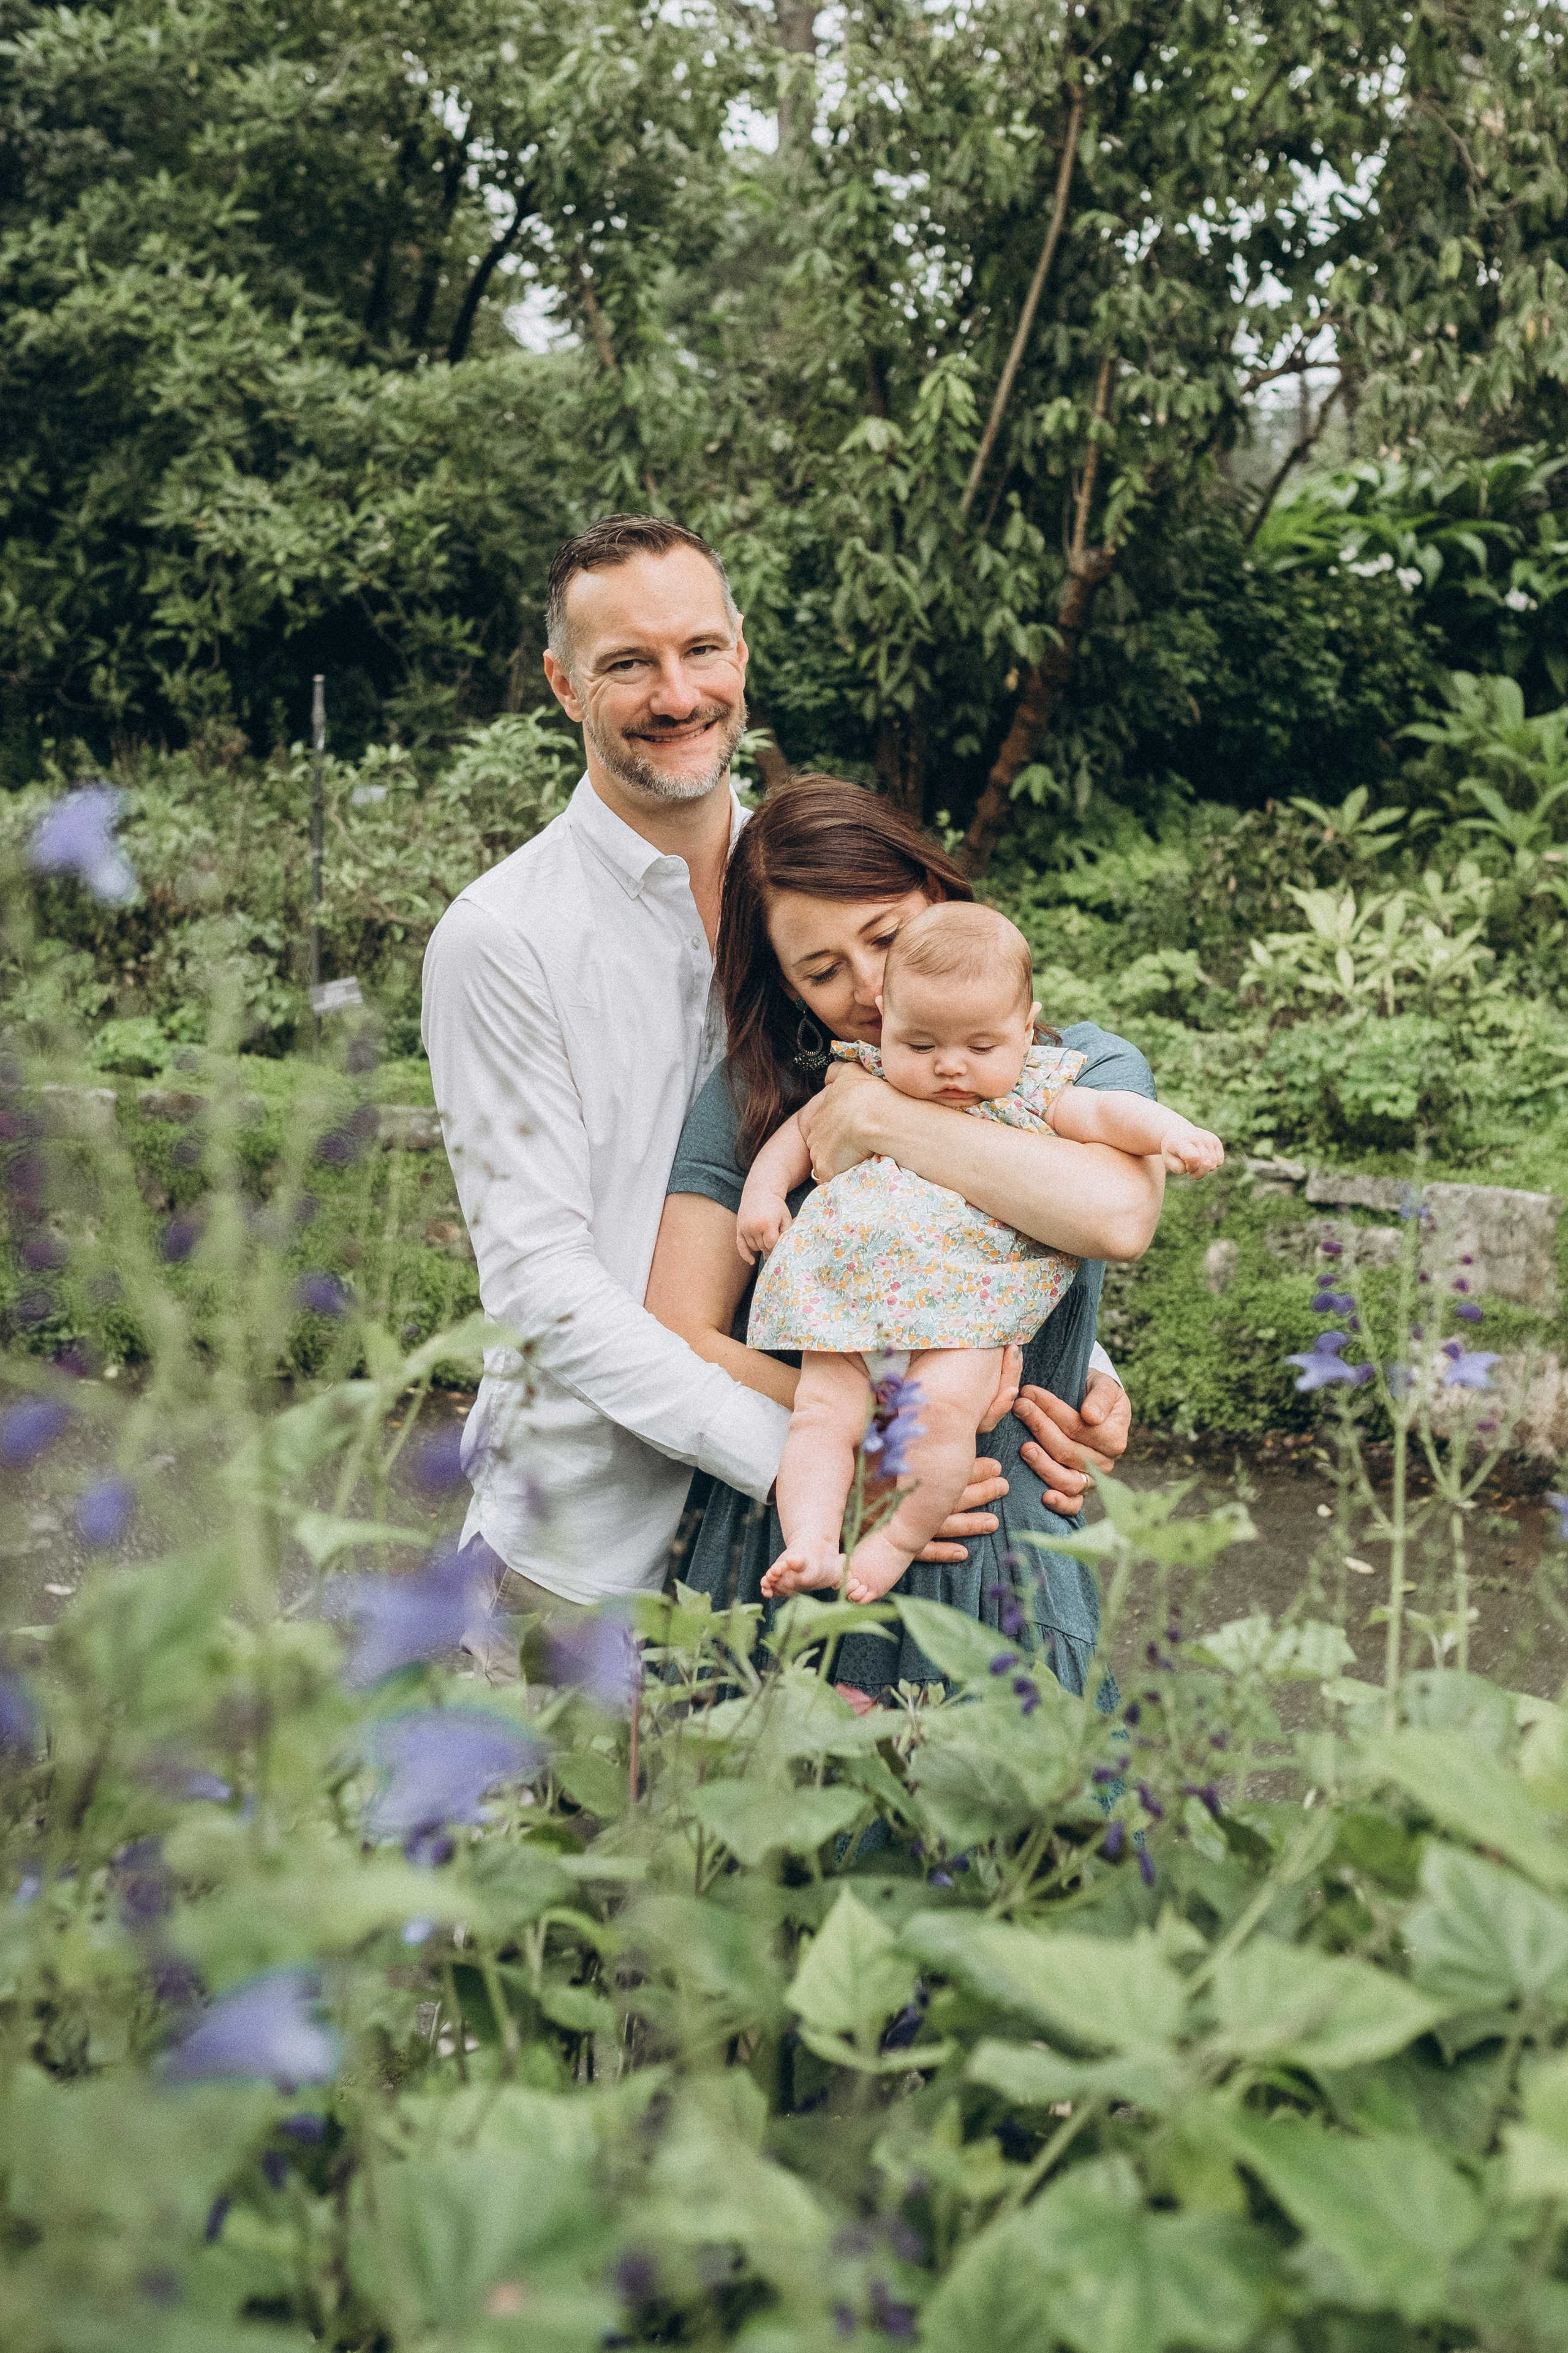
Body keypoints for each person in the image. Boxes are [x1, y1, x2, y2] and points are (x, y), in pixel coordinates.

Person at [421, 514, 1122, 1618]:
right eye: (628, 664)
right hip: (598, 1539)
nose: (677, 693)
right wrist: (828, 1458)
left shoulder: (824, 888)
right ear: (564, 686)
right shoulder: (503, 939)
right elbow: (540, 1286)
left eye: (701, 649)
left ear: (741, 655)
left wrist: (1071, 1367)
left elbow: (938, 1146)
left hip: (791, 1547)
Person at [646, 774, 1167, 1704]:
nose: (870, 987)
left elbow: (1116, 1216)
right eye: (820, 971)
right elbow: (680, 1330)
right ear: (785, 984)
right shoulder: (760, 1094)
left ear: (939, 892)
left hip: (996, 1558)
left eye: (885, 936)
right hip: (793, 1534)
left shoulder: (1081, 1067)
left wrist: (880, 1116)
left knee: (1002, 1791)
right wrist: (881, 1437)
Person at [737, 900, 1222, 1604]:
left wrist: (1170, 1133)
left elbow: (1106, 1115)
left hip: (967, 1311)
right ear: (887, 1020)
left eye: (980, 1048)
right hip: (848, 1294)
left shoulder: (1036, 1088)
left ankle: (893, 1543)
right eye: (920, 1044)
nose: (949, 1066)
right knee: (820, 1415)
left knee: (941, 1422)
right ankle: (810, 1542)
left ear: (1025, 1031)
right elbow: (799, 1135)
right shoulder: (863, 1074)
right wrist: (762, 1195)